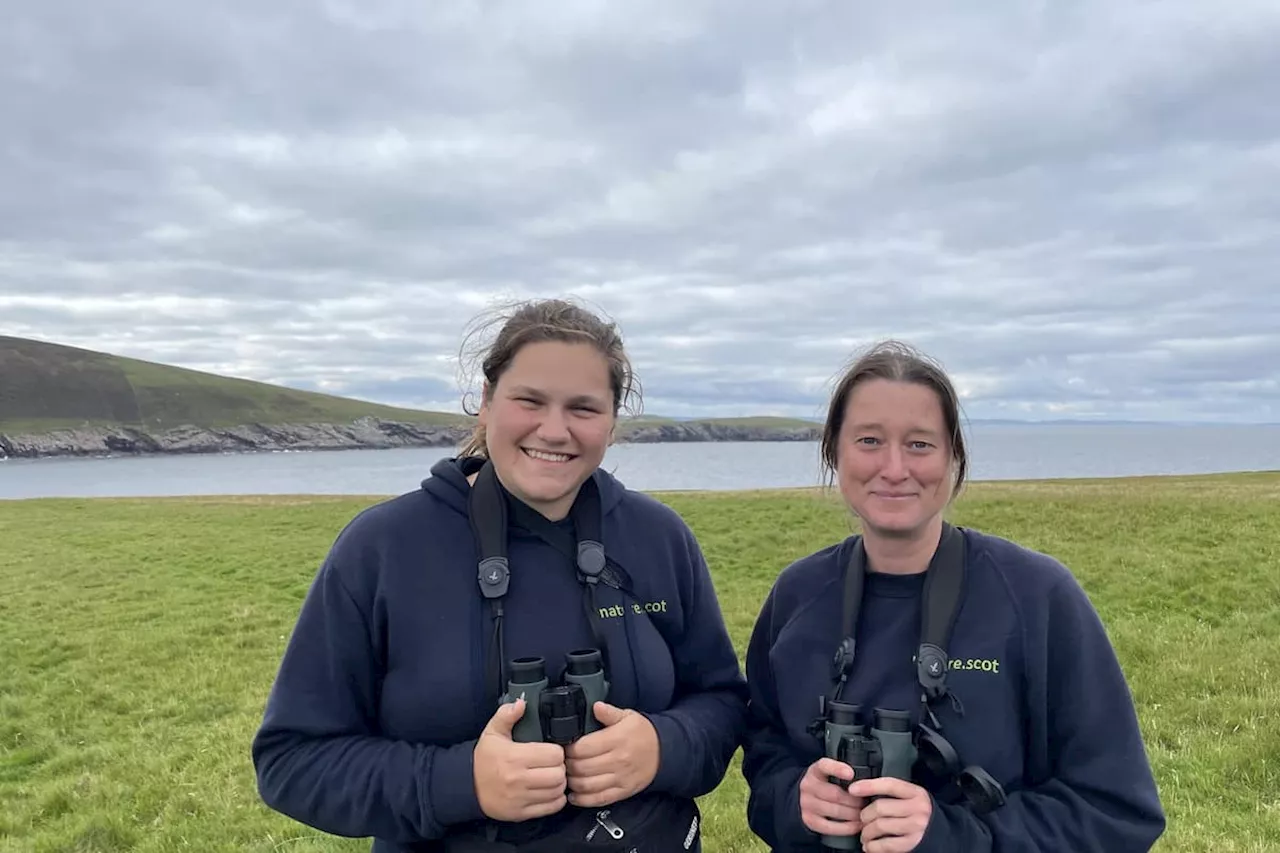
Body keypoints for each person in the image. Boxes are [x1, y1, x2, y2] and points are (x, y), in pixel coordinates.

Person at [251, 298, 749, 852]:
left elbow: (723, 702)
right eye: (529, 400)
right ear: (486, 402)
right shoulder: (382, 548)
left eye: (583, 408)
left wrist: (663, 746)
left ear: (613, 419)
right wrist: (459, 783)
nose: (554, 430)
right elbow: (292, 761)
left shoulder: (658, 537)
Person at [740, 340, 1166, 852]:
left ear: (954, 457)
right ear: (834, 451)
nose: (894, 468)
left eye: (920, 444)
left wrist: (954, 837)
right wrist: (797, 801)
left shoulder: (1037, 598)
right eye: (869, 440)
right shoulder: (798, 595)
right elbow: (764, 755)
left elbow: (1118, 813)